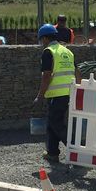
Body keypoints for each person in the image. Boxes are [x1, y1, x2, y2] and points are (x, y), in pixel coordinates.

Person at [33, 23, 78, 162]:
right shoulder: (66, 51)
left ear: (45, 38)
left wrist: (39, 96)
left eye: (41, 40)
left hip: (56, 94)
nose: (41, 43)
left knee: (56, 123)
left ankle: (76, 151)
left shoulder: (48, 52)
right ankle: (52, 153)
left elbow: (46, 75)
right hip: (68, 92)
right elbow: (77, 71)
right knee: (52, 123)